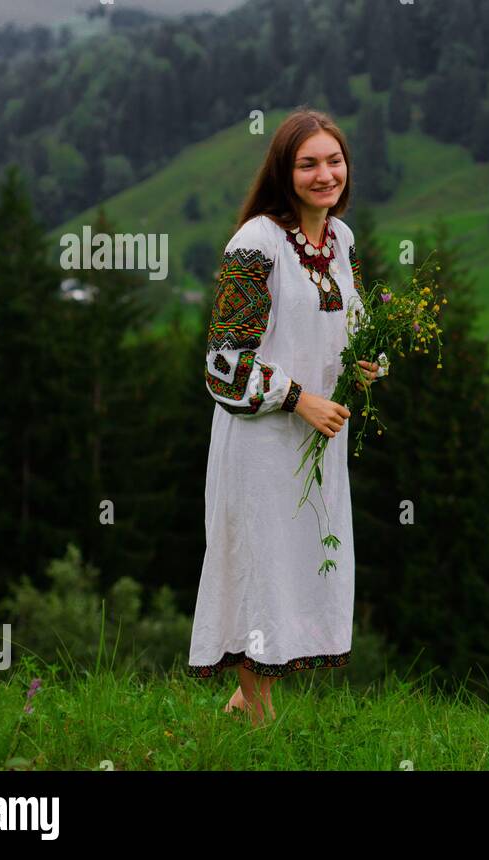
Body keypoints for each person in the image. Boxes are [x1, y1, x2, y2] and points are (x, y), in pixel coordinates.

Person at [186, 108, 382, 726]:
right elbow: (223, 364)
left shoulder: (340, 239)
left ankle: (244, 702)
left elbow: (347, 323)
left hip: (318, 440)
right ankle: (259, 715)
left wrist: (368, 359)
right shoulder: (256, 243)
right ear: (284, 170)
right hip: (261, 442)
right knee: (262, 564)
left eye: (334, 160)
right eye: (309, 164)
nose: (326, 174)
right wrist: (300, 397)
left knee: (300, 563)